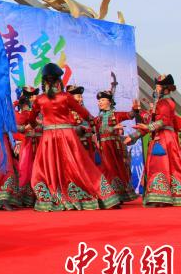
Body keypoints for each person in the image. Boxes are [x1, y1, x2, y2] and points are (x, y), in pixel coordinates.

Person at [17, 63, 121, 211]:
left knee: (47, 168)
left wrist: (34, 125)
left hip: (48, 138)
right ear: (59, 81)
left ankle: (54, 196)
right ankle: (102, 195)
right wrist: (93, 122)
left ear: (45, 82)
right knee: (80, 166)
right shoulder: (65, 97)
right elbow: (83, 113)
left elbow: (32, 120)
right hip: (68, 135)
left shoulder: (40, 99)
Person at [126, 74, 181, 207]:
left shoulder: (165, 103)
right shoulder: (161, 104)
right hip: (159, 138)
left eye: (157, 87)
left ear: (165, 88)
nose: (155, 89)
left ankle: (162, 197)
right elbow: (151, 123)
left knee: (161, 165)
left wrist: (148, 127)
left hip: (164, 139)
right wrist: (133, 136)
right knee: (166, 166)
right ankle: (162, 196)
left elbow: (164, 121)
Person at [93, 90, 140, 203]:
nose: (100, 102)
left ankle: (119, 194)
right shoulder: (97, 119)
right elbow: (95, 129)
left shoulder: (116, 115)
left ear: (109, 102)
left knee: (117, 168)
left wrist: (134, 110)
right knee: (106, 169)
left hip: (115, 146)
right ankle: (109, 194)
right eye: (99, 101)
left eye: (102, 100)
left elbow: (129, 115)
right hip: (103, 147)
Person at [13, 88, 40, 207]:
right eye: (31, 96)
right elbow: (15, 126)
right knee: (24, 170)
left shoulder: (39, 109)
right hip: (24, 144)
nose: (34, 97)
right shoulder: (18, 112)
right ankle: (22, 198)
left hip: (37, 143)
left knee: (36, 169)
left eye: (34, 95)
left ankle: (36, 196)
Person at [66, 84, 98, 162]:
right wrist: (79, 129)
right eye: (78, 96)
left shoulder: (84, 111)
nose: (81, 99)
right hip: (75, 145)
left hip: (88, 144)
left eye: (81, 97)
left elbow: (94, 122)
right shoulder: (66, 112)